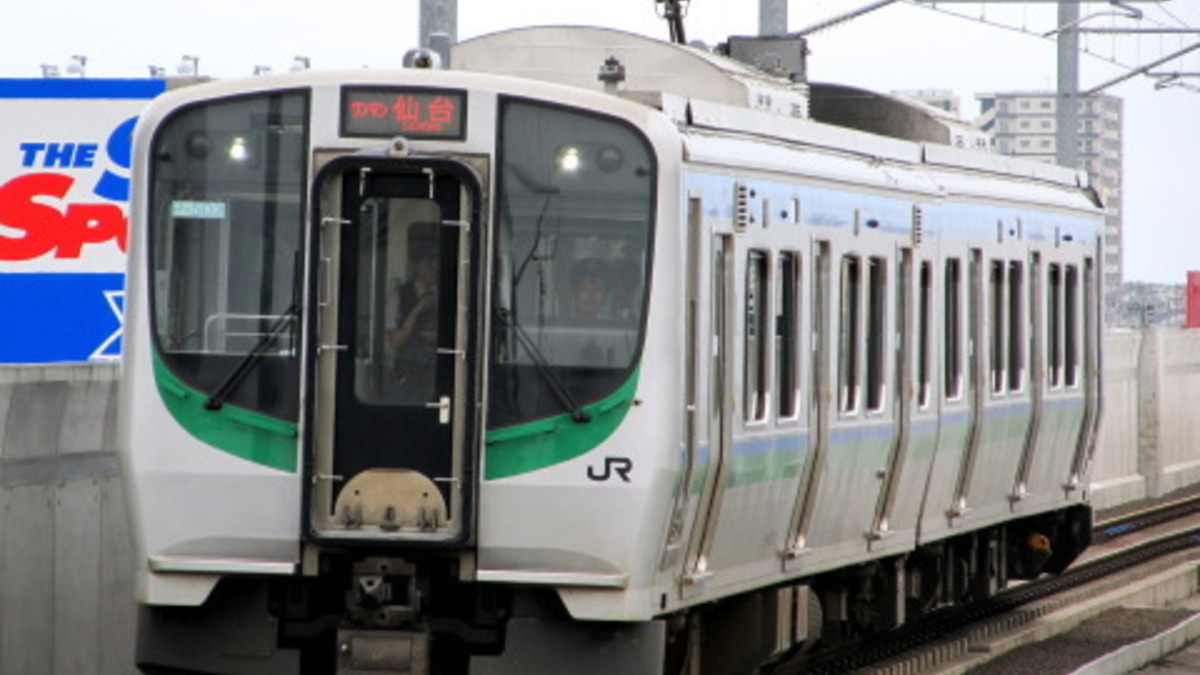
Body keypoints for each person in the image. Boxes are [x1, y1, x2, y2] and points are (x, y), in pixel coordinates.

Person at [388, 242, 439, 399]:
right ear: (416, 266)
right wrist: (417, 310)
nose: (433, 267)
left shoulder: (451, 295)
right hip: (407, 374)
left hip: (437, 373)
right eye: (427, 262)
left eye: (435, 262)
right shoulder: (399, 295)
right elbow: (395, 342)